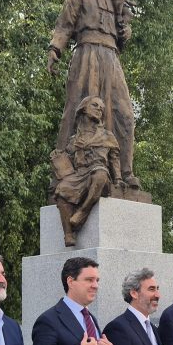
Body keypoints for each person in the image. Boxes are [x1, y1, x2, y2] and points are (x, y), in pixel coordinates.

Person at [48, 0, 141, 190]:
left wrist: (126, 32)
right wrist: (55, 50)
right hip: (86, 54)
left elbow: (121, 35)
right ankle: (63, 171)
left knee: (124, 115)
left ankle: (125, 172)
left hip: (111, 58)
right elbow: (64, 26)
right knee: (78, 110)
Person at [51, 96, 124, 246]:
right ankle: (68, 234)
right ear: (83, 108)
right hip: (79, 174)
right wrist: (59, 156)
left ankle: (83, 212)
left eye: (101, 109)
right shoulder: (75, 138)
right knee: (62, 190)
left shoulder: (107, 136)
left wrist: (118, 179)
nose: (99, 109)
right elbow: (68, 157)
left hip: (99, 171)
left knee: (100, 174)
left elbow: (114, 159)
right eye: (95, 105)